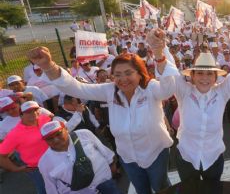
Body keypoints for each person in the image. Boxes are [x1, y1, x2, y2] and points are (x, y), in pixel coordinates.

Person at [28, 45, 177, 194]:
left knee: (161, 187)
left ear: (139, 73)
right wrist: (48, 66)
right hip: (128, 157)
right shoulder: (110, 91)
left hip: (156, 153)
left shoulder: (150, 88)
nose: (123, 79)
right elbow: (76, 88)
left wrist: (159, 53)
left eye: (128, 73)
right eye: (117, 74)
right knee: (142, 190)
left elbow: (168, 89)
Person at [150, 24, 230, 183]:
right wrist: (161, 46)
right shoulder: (183, 91)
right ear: (192, 76)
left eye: (209, 74)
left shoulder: (222, 92)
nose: (204, 78)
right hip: (186, 157)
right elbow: (171, 68)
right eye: (199, 73)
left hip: (213, 157)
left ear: (216, 77)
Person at [38, 121, 121, 194]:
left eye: (58, 134)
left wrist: (111, 172)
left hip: (105, 184)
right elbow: (51, 187)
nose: (56, 140)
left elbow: (106, 153)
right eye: (50, 138)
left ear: (66, 129)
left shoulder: (84, 134)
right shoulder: (44, 162)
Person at [0, 101, 51, 194]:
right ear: (21, 115)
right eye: (28, 112)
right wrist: (15, 169)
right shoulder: (15, 134)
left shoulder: (45, 119)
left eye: (35, 110)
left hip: (55, 161)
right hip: (37, 169)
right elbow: (1, 155)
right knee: (44, 190)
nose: (33, 113)